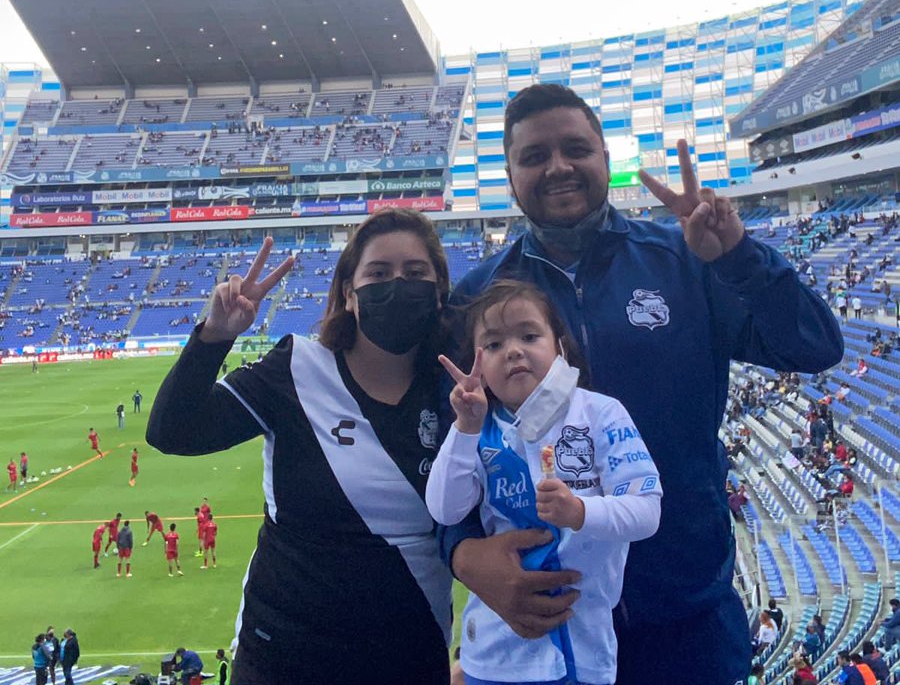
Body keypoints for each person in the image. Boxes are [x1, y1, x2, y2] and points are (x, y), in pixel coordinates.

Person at [441, 84, 843, 685]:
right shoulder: (480, 298)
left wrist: (736, 255)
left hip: (687, 619)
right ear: (510, 172)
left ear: (605, 157)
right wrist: (463, 551)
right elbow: (453, 447)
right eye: (534, 156)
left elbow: (814, 346)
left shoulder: (684, 260)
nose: (557, 167)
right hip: (551, 629)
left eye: (575, 148)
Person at [147, 216, 454, 685]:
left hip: (411, 651)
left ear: (438, 291)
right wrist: (214, 335)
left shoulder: (459, 390)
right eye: (378, 273)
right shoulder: (297, 368)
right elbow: (174, 431)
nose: (396, 285)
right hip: (284, 655)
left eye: (415, 273)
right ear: (349, 294)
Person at [427, 280, 661, 685]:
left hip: (581, 653)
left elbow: (647, 511)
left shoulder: (601, 414)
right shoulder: (479, 430)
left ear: (561, 349)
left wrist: (581, 511)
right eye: (494, 345)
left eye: (529, 335)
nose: (514, 350)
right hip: (491, 657)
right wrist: (464, 428)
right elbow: (445, 509)